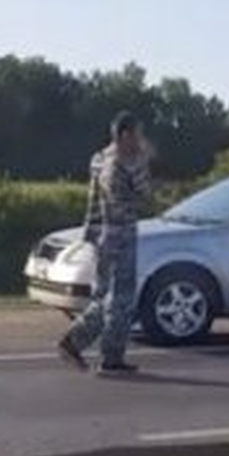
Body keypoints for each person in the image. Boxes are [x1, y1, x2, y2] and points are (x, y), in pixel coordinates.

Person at [58, 111, 151, 376]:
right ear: (125, 135)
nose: (140, 140)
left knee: (104, 295)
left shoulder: (99, 159)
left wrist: (91, 233)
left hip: (104, 234)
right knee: (122, 298)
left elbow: (92, 200)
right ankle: (104, 353)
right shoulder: (123, 163)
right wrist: (142, 163)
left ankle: (82, 345)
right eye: (138, 134)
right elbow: (142, 193)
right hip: (121, 233)